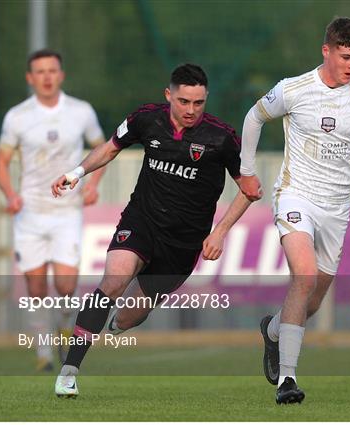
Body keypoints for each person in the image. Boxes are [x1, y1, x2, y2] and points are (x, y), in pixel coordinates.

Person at [51, 63, 255, 398]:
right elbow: (111, 147)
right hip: (141, 220)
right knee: (114, 280)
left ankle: (112, 324)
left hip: (183, 243)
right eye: (184, 101)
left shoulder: (222, 137)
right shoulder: (147, 118)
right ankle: (69, 372)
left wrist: (219, 232)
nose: (191, 110)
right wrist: (76, 173)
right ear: (168, 95)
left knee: (130, 316)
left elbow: (250, 188)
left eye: (198, 103)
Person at [239, 17, 350, 404]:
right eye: (346, 56)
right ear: (326, 50)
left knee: (312, 300)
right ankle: (287, 381)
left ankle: (273, 331)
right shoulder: (294, 89)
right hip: (296, 195)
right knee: (304, 275)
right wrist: (245, 170)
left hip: (336, 207)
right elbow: (254, 117)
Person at [0, 49, 106, 371]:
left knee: (67, 285)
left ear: (61, 75)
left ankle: (65, 324)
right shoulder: (17, 116)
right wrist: (10, 194)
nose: (46, 77)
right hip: (29, 212)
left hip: (66, 210)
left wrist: (95, 184)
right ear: (30, 78)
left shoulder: (80, 111)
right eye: (39, 72)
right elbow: (1, 164)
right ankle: (44, 353)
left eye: (52, 70)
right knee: (36, 287)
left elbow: (103, 149)